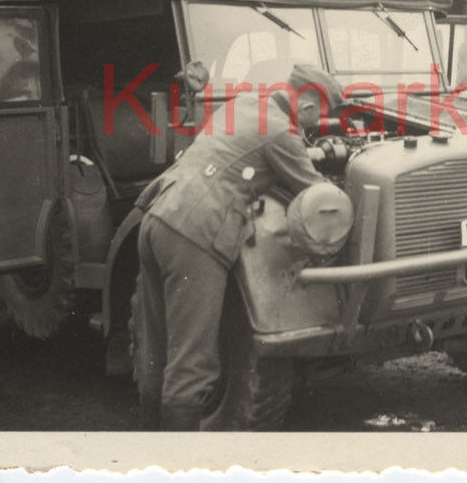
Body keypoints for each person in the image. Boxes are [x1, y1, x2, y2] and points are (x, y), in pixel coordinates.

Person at [132, 64, 345, 430]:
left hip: (158, 218)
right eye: (316, 119)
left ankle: (154, 457)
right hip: (196, 235)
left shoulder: (245, 104)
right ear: (308, 104)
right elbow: (320, 197)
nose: (312, 126)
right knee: (193, 365)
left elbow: (239, 151)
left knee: (156, 352)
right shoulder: (282, 133)